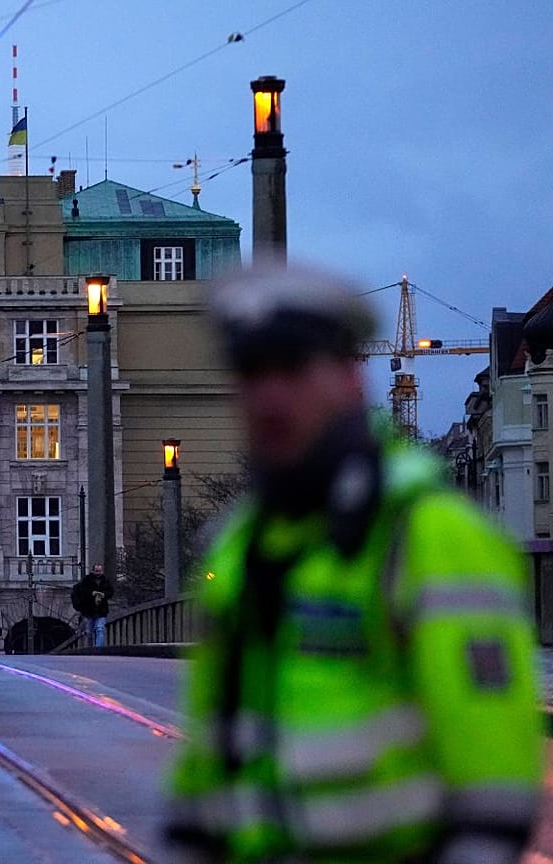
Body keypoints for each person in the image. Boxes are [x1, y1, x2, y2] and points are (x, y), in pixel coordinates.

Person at [163, 265, 544, 863]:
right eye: (251, 373)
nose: (268, 396)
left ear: (349, 378)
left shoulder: (430, 533)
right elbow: (212, 751)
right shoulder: (241, 543)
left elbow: (493, 783)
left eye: (292, 369)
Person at [71, 564, 112, 648]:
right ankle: (90, 648)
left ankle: (98, 649)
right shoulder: (87, 580)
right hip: (89, 610)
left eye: (99, 571)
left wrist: (104, 594)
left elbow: (111, 591)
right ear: (93, 571)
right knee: (89, 632)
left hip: (101, 610)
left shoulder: (105, 581)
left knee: (100, 629)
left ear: (102, 571)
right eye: (96, 571)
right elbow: (82, 591)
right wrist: (91, 593)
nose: (98, 573)